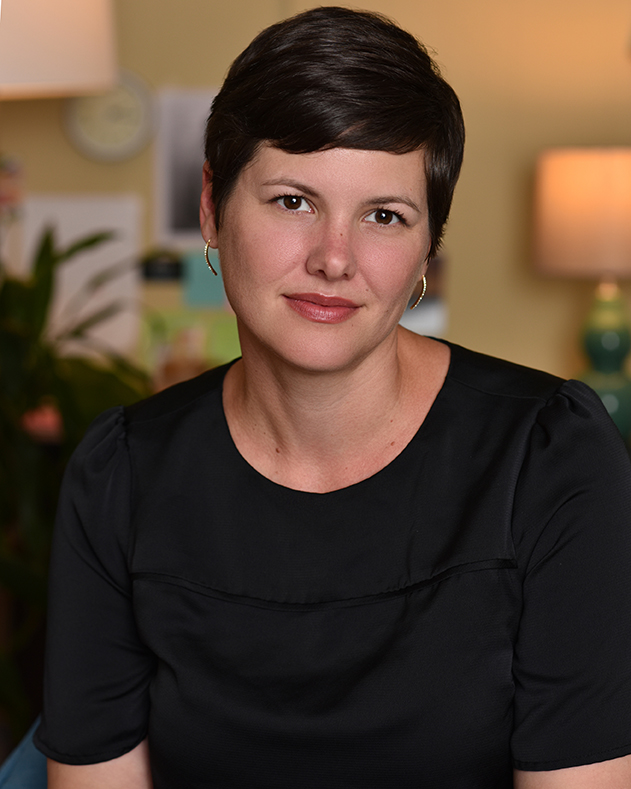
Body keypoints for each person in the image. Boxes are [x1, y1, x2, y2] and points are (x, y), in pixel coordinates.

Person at [35, 7, 631, 788]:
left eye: (384, 216)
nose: (333, 258)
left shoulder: (552, 456)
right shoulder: (121, 473)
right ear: (212, 207)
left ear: (427, 248)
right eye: (293, 201)